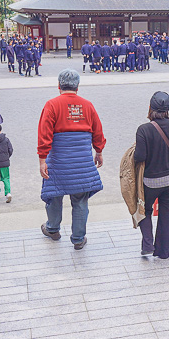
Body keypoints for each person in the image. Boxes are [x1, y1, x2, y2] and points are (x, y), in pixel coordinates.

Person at [38, 69, 106, 250]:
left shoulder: (51, 105)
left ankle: (52, 228)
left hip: (58, 161)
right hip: (82, 162)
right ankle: (78, 239)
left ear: (59, 86)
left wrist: (42, 160)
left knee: (54, 196)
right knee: (80, 200)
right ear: (77, 86)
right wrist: (98, 152)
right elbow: (98, 132)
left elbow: (44, 135)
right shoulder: (88, 105)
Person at [134, 92, 169, 258]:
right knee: (166, 214)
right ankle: (163, 252)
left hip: (150, 181)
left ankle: (148, 244)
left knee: (144, 209)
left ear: (150, 108)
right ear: (167, 109)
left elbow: (140, 157)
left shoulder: (144, 129)